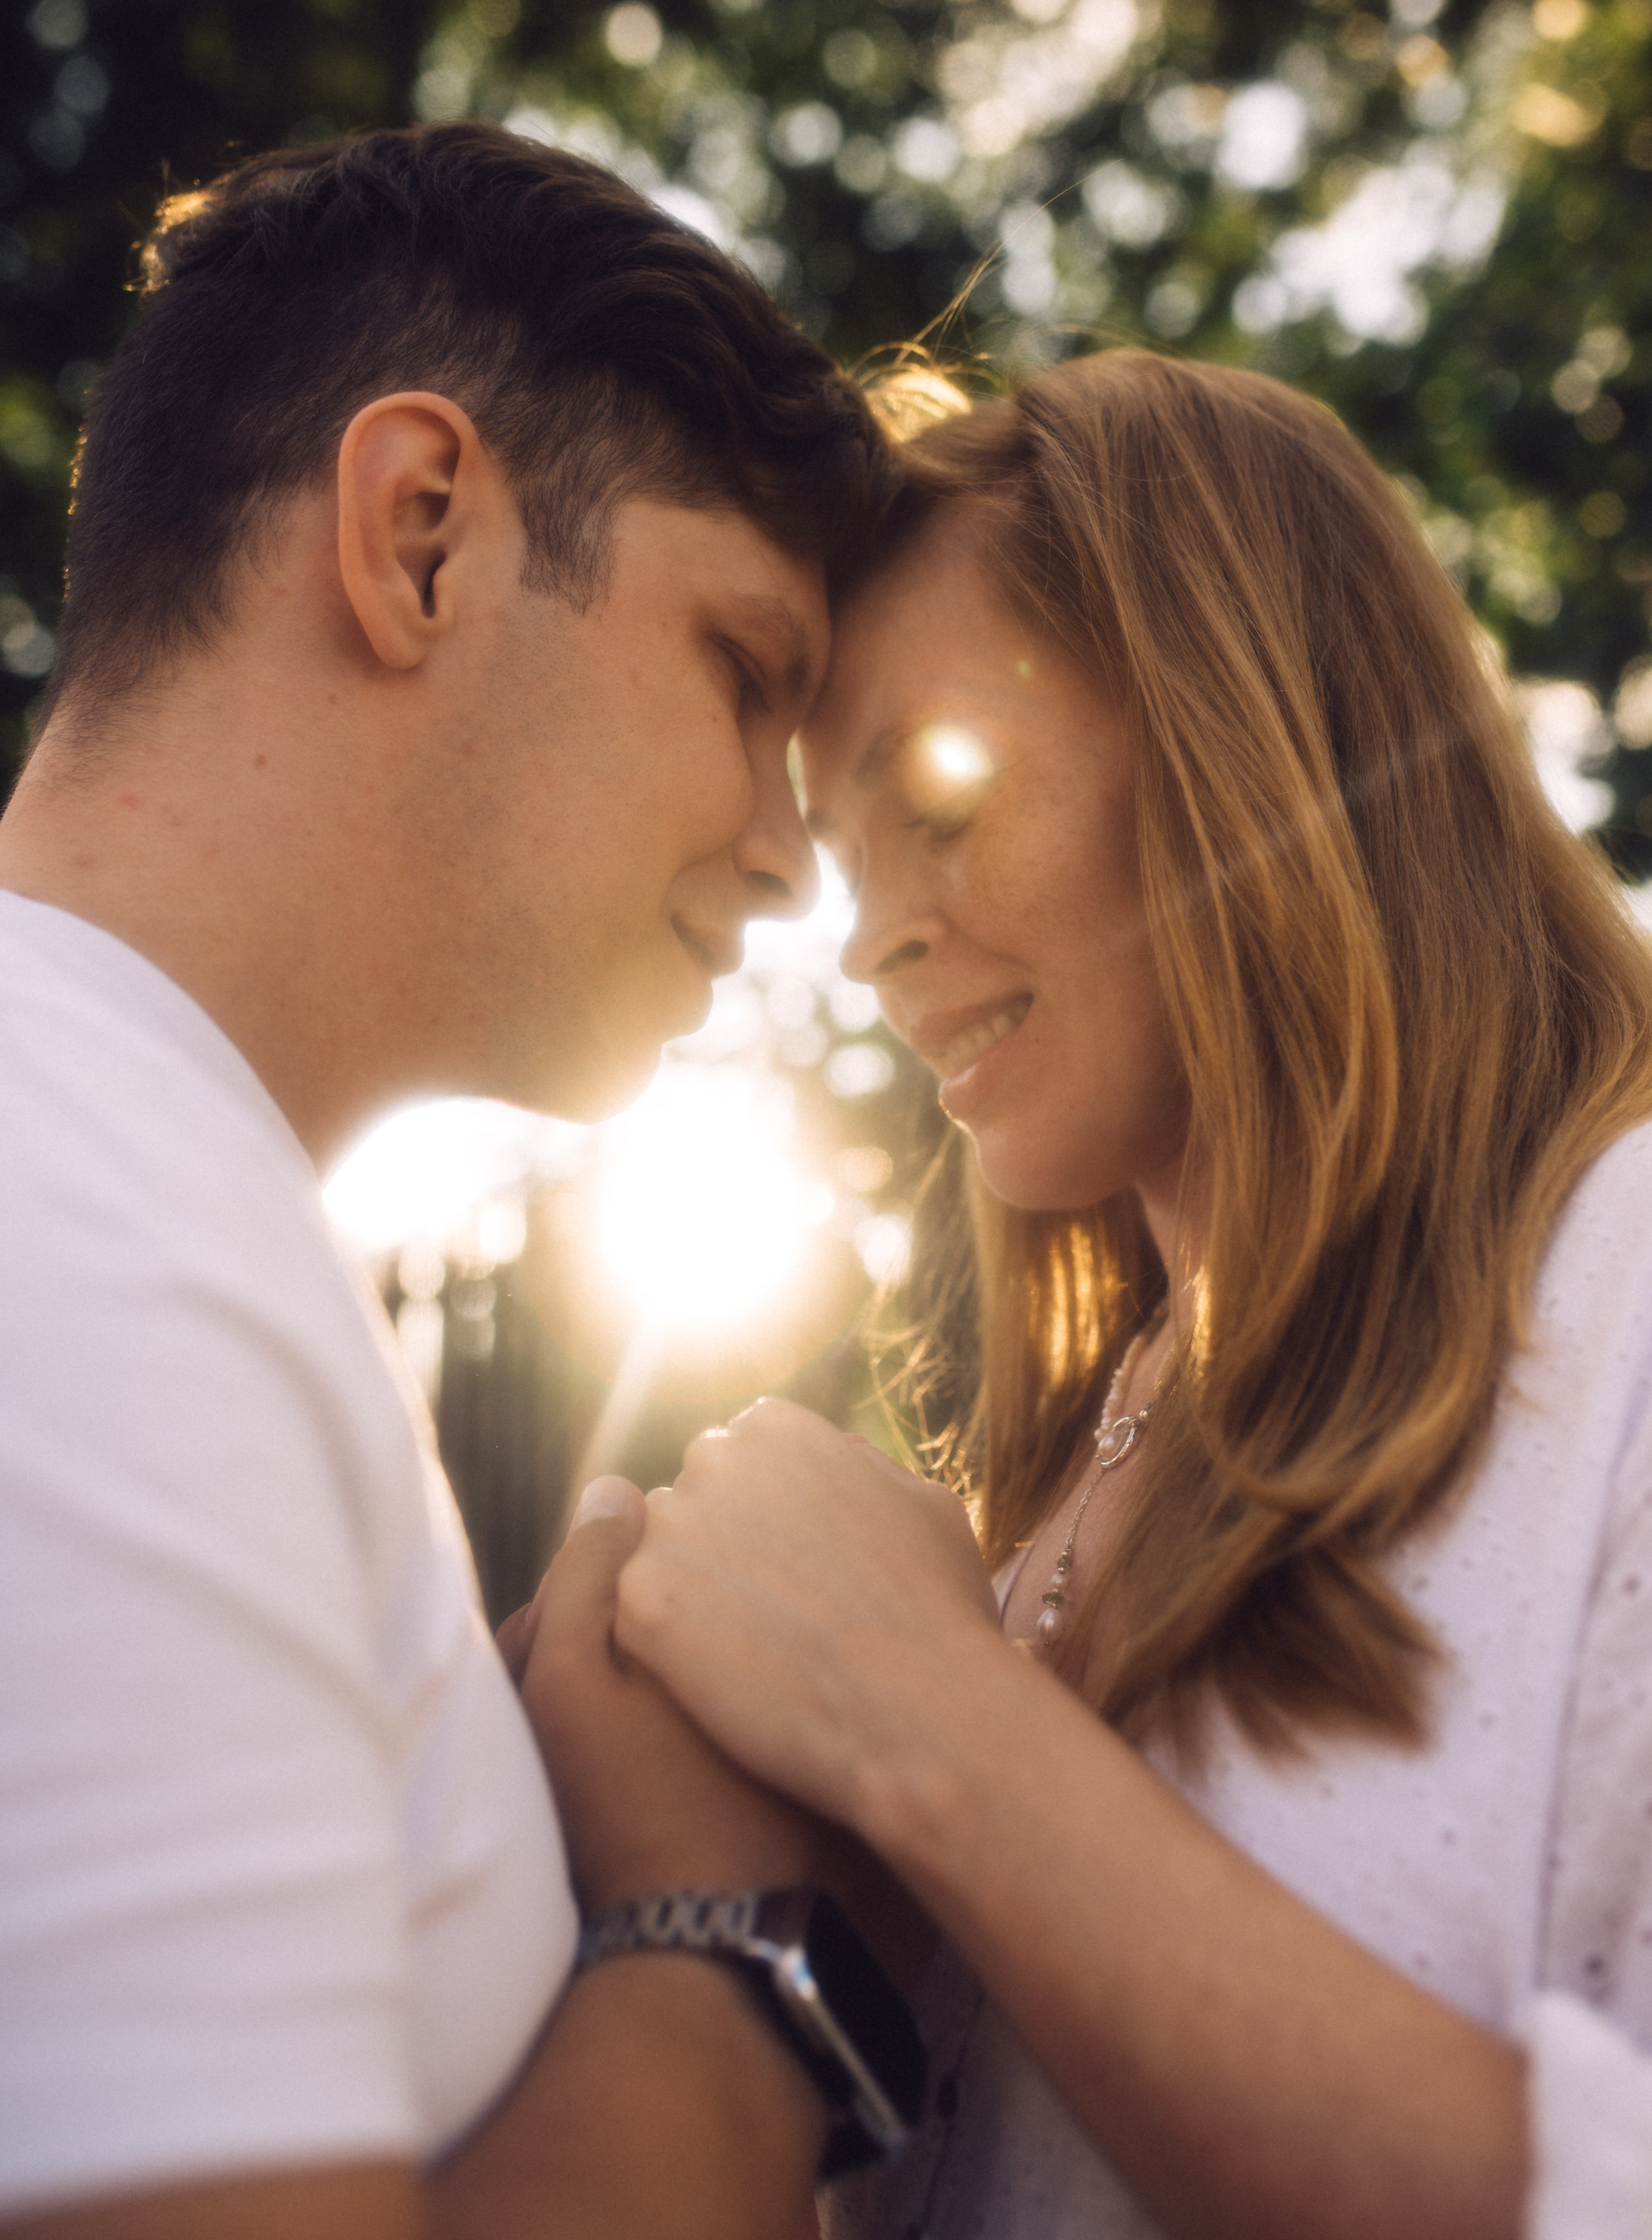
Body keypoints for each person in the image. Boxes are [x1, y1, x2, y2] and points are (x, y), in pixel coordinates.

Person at [604, 348, 1652, 2240]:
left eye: (934, 787)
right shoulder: (1071, 1468)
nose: (871, 937)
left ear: (1250, 723)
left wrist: (921, 1715)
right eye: (842, 854)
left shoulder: (1629, 1293)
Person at [0, 122, 911, 2239]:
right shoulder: (78, 1209)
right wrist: (734, 1940)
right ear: (420, 535)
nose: (795, 861)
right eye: (746, 674)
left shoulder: (145, 1196)